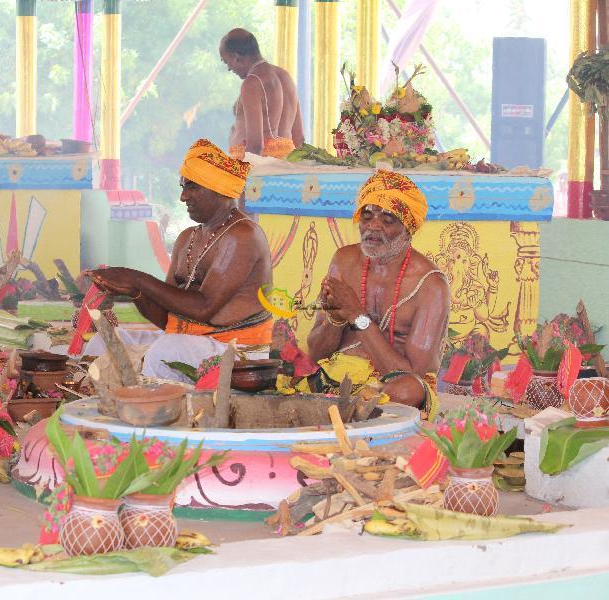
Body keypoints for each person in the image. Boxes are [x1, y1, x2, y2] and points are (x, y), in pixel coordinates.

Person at [87, 139, 273, 382]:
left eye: (192, 187)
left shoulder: (243, 235)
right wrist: (133, 291)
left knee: (164, 352)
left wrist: (137, 278)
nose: (183, 196)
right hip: (187, 342)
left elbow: (204, 308)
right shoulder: (188, 238)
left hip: (236, 351)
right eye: (183, 187)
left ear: (218, 189)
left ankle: (150, 415)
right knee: (104, 340)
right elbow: (166, 318)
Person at [305, 170, 450, 415]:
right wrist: (336, 319)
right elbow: (317, 353)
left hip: (391, 386)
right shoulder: (344, 260)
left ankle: (350, 413)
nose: (373, 226)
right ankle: (349, 412)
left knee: (408, 390)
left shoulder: (431, 285)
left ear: (407, 227)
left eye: (388, 219)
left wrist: (358, 316)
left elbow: (411, 373)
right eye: (367, 215)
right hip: (340, 375)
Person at [220, 28, 304, 160]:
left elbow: (255, 146)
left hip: (258, 169)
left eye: (226, 62)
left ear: (236, 57)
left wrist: (236, 176)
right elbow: (299, 138)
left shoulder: (252, 83)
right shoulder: (285, 76)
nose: (229, 68)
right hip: (284, 164)